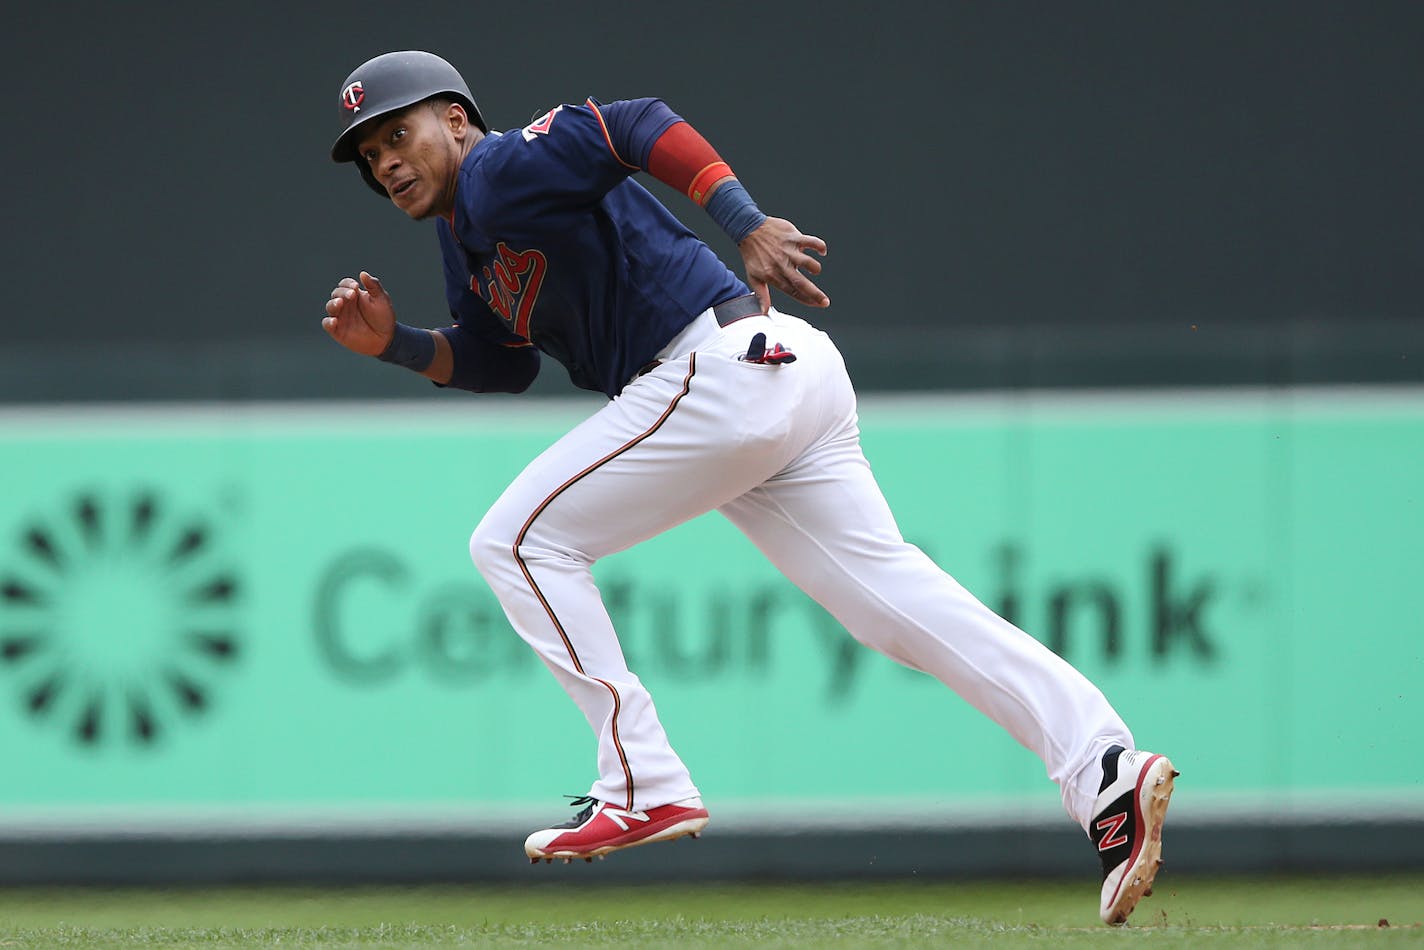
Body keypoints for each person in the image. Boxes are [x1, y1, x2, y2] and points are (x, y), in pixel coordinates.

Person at [322, 50, 1176, 925]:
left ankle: (641, 780)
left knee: (515, 541)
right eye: (369, 152)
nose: (386, 160)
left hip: (714, 367)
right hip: (774, 372)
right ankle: (1104, 771)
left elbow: (634, 123)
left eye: (400, 132)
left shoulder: (501, 165)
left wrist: (745, 218)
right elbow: (500, 363)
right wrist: (398, 346)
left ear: (456, 120)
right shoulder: (461, 232)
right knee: (894, 608)